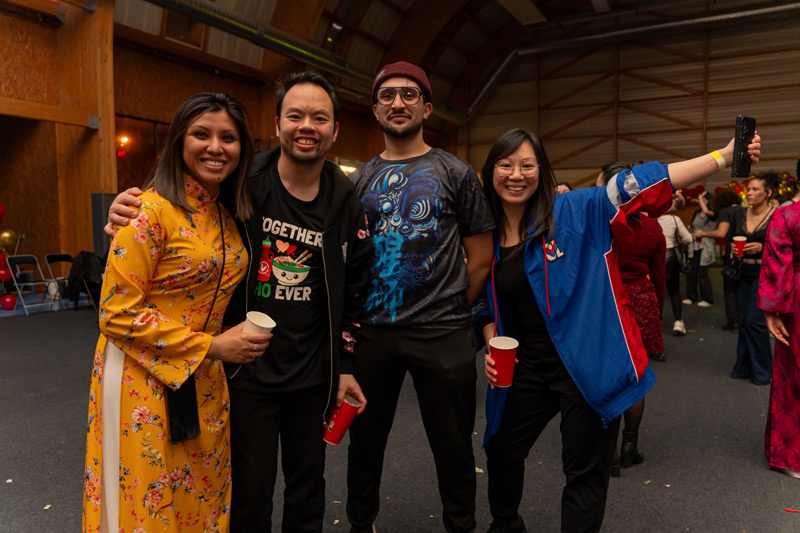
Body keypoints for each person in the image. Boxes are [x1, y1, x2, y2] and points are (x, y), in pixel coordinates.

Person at [105, 73, 375, 532]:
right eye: (295, 115)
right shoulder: (240, 182)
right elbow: (180, 206)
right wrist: (123, 213)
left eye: (319, 117)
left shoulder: (347, 201)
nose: (306, 126)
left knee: (307, 489)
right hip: (242, 372)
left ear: (335, 130)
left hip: (312, 373)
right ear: (278, 124)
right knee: (247, 492)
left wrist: (345, 364)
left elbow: (355, 289)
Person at [476, 128, 761, 533]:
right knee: (502, 449)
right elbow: (481, 298)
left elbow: (643, 183)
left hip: (589, 367)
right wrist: (491, 340)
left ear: (542, 170)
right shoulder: (484, 233)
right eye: (506, 165)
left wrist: (723, 156)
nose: (516, 175)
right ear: (491, 171)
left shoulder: (578, 209)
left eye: (527, 165)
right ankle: (506, 525)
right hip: (525, 368)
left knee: (584, 473)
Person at [84, 92, 272, 533]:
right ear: (179, 141)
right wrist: (214, 346)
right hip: (140, 375)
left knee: (200, 494)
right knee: (148, 500)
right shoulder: (147, 210)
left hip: (203, 378)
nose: (215, 147)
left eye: (228, 138)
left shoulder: (224, 214)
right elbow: (115, 314)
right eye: (201, 134)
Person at [346, 61, 495, 533]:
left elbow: (481, 256)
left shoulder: (455, 172)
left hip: (443, 331)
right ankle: (360, 524)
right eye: (387, 95)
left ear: (427, 108)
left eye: (409, 94)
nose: (398, 102)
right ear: (375, 110)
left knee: (453, 446)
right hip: (374, 333)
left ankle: (461, 526)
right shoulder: (358, 180)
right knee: (365, 442)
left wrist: (453, 308)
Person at [597, 160, 666, 476]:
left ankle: (608, 452)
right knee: (636, 379)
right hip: (641, 300)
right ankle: (629, 445)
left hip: (607, 299)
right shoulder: (652, 226)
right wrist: (656, 312)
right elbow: (659, 276)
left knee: (607, 377)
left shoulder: (599, 220)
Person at [758, 200, 800, 478]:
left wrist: (771, 309)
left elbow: (777, 264)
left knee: (792, 371)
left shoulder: (787, 215)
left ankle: (790, 456)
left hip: (797, 296)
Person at [728, 172, 779, 385]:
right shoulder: (739, 214)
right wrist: (733, 249)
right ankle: (744, 366)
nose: (749, 193)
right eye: (748, 189)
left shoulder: (777, 215)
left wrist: (763, 247)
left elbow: (785, 246)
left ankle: (763, 371)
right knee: (743, 320)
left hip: (764, 272)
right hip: (742, 271)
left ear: (768, 193)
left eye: (755, 189)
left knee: (754, 320)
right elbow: (730, 239)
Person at [694, 190, 743, 330]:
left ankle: (733, 321)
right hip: (747, 251)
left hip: (732, 252)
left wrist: (702, 233)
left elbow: (721, 233)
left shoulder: (725, 212)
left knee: (729, 288)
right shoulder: (745, 211)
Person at [658, 194, 692, 335]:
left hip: (655, 258)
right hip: (671, 257)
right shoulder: (674, 219)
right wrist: (678, 243)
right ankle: (678, 322)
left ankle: (656, 324)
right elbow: (689, 239)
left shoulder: (651, 219)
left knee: (657, 293)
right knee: (674, 291)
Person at [684, 191, 717, 307]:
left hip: (706, 244)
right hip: (694, 244)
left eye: (703, 200)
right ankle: (692, 297)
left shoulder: (714, 213)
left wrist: (700, 198)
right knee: (692, 271)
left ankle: (707, 299)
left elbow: (707, 212)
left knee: (703, 272)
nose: (700, 202)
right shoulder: (697, 212)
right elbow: (693, 226)